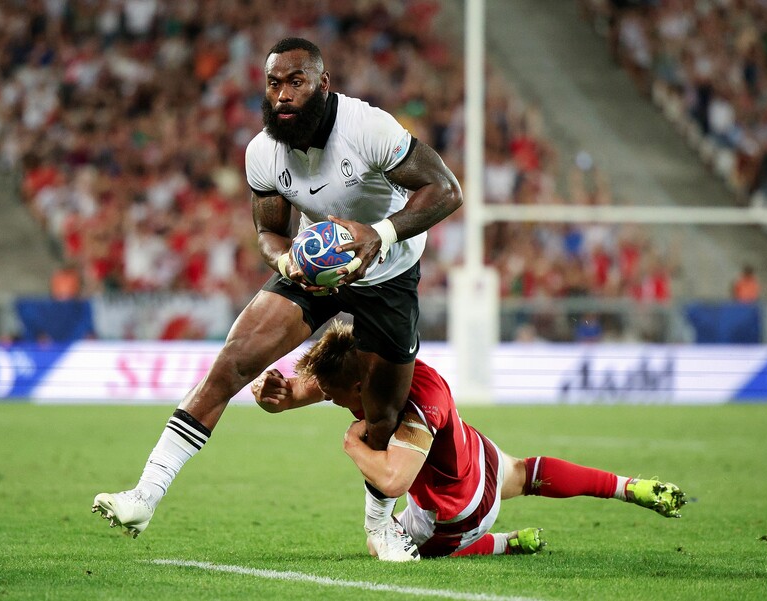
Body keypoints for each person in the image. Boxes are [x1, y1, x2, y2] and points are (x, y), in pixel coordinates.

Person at [92, 37, 463, 549]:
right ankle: (144, 495)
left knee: (381, 414)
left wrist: (379, 234)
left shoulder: (368, 129)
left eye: (296, 82)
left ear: (322, 85)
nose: (283, 95)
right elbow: (269, 232)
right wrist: (286, 261)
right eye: (273, 84)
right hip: (314, 267)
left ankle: (381, 526)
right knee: (232, 362)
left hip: (389, 274)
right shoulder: (262, 153)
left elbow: (446, 190)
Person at [250, 320, 687, 561]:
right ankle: (628, 486)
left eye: (335, 399)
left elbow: (393, 481)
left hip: (456, 512)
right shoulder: (374, 364)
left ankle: (499, 543)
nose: (332, 404)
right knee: (526, 472)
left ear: (358, 388)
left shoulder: (419, 405)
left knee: (379, 541)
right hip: (481, 458)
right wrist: (279, 396)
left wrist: (352, 443)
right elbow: (316, 387)